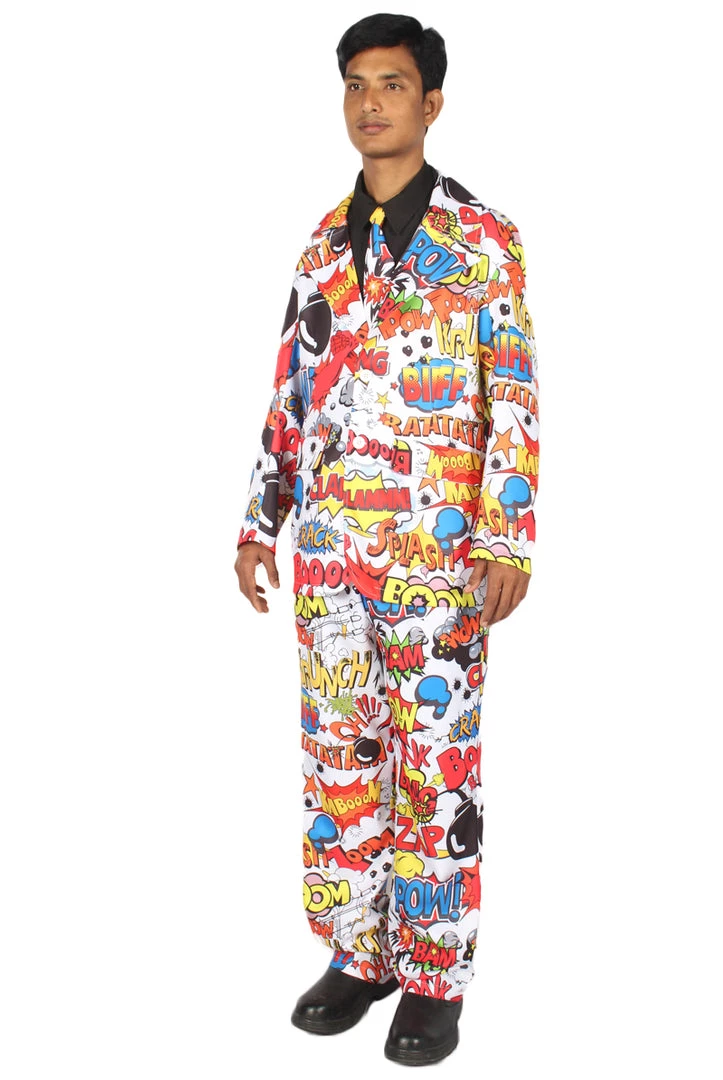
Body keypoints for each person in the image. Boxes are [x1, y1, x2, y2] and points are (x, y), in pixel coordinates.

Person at [234, 13, 539, 1067]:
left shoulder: (483, 239)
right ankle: (358, 954)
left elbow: (513, 392)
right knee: (340, 762)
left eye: (393, 84)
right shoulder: (321, 246)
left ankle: (434, 977)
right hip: (329, 559)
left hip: (436, 559)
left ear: (431, 102)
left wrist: (507, 537)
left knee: (435, 769)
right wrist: (259, 521)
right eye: (356, 84)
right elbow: (290, 389)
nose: (371, 102)